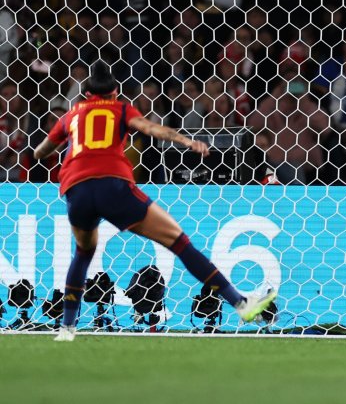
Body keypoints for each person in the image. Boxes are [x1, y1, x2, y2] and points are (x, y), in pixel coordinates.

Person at [34, 61, 276, 342]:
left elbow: (41, 152)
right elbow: (150, 129)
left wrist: (63, 147)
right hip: (114, 186)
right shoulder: (120, 108)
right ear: (114, 92)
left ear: (86, 94)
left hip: (77, 190)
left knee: (83, 253)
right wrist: (186, 141)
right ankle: (241, 304)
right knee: (180, 243)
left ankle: (66, 329)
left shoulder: (71, 116)